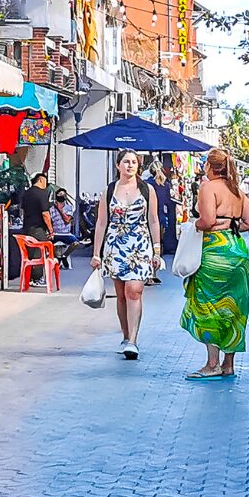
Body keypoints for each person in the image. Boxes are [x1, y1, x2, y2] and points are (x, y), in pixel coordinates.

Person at [181, 150, 249, 379]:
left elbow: (207, 221)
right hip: (237, 250)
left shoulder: (208, 187)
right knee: (233, 305)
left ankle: (212, 364)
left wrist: (195, 225)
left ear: (209, 167)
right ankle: (229, 364)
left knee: (209, 304)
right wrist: (232, 226)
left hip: (215, 251)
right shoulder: (237, 190)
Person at [92, 153, 158, 359]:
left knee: (134, 290)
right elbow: (101, 222)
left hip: (140, 244)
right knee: (121, 294)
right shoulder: (109, 190)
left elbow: (154, 220)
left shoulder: (147, 190)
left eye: (134, 162)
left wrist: (157, 249)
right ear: (118, 165)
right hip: (115, 245)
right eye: (126, 162)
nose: (130, 165)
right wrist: (96, 253)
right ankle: (126, 334)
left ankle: (133, 340)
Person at [147, 153, 179, 285]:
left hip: (148, 216)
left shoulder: (148, 184)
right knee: (157, 246)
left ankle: (149, 274)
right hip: (161, 217)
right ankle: (154, 273)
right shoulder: (165, 184)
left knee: (148, 245)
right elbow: (167, 201)